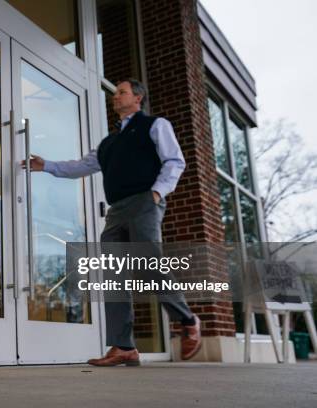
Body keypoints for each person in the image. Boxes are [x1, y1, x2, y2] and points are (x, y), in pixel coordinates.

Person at [23, 79, 202, 366]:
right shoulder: (109, 143)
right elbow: (81, 166)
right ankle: (123, 346)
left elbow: (174, 161)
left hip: (145, 201)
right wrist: (47, 166)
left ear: (138, 97)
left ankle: (188, 319)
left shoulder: (155, 125)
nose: (115, 97)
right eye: (114, 94)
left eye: (122, 92)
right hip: (117, 210)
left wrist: (157, 192)